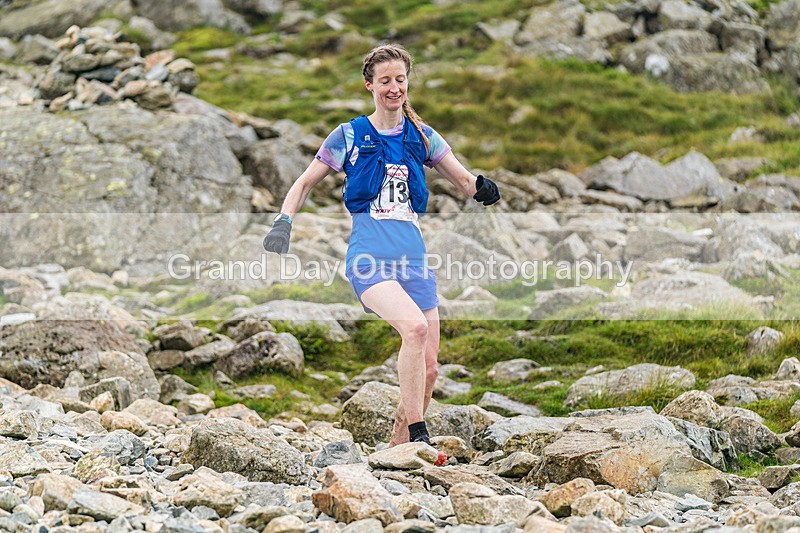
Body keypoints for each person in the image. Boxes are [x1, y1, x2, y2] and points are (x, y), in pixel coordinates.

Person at [263, 44, 500, 463]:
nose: (394, 88)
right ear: (369, 85)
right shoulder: (349, 135)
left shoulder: (422, 136)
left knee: (430, 368)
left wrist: (483, 187)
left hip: (414, 262)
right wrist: (284, 222)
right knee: (415, 329)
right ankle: (420, 434)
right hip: (369, 259)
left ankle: (396, 448)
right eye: (385, 81)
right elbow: (304, 183)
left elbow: (464, 181)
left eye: (400, 80)